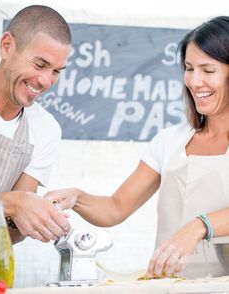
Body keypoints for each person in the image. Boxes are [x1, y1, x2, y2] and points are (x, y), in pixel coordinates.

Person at [45, 16, 229, 279]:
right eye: (189, 68)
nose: (195, 81)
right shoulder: (169, 141)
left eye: (208, 70)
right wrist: (76, 198)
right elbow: (116, 207)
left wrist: (201, 225)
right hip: (168, 285)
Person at [0, 5, 72, 244]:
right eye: (39, 65)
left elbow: (11, 235)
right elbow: (17, 204)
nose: (46, 81)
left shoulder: (45, 130)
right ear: (7, 46)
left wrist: (39, 218)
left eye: (56, 71)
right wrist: (11, 203)